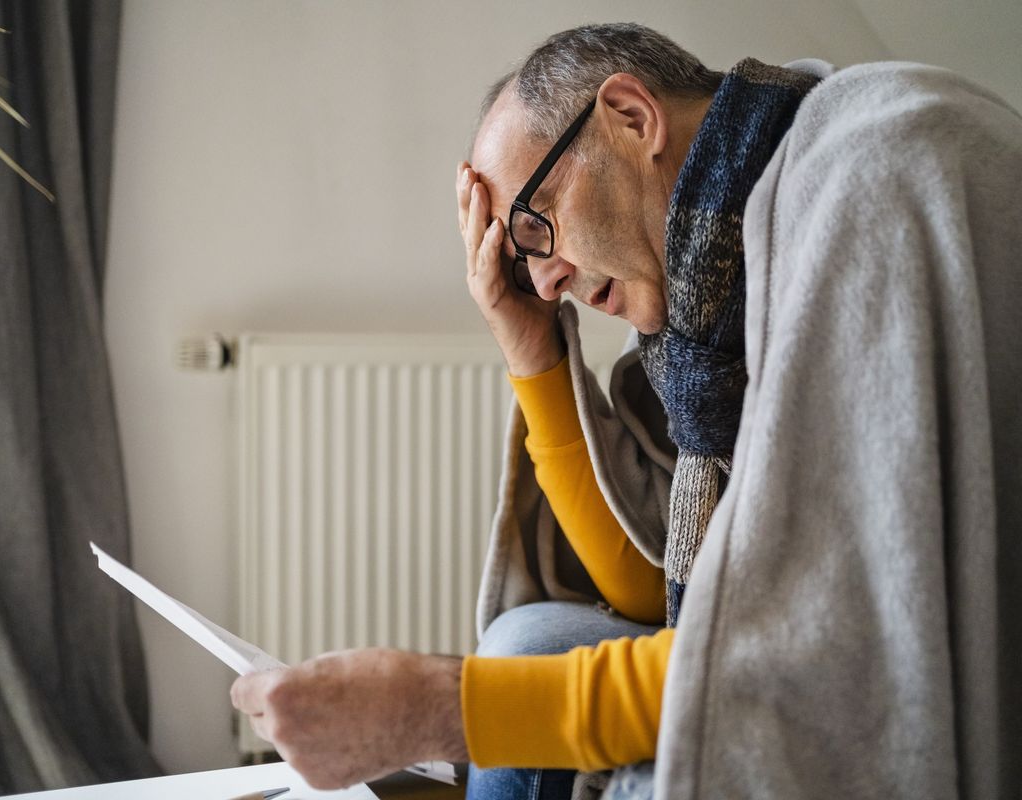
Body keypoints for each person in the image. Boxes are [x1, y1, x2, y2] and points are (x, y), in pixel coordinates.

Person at [232, 23, 1022, 799]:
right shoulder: (706, 325)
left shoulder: (872, 177)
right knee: (529, 644)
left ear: (631, 117)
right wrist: (531, 348)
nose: (541, 281)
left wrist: (442, 708)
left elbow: (835, 651)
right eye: (517, 260)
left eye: (534, 227)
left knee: (529, 689)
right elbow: (655, 588)